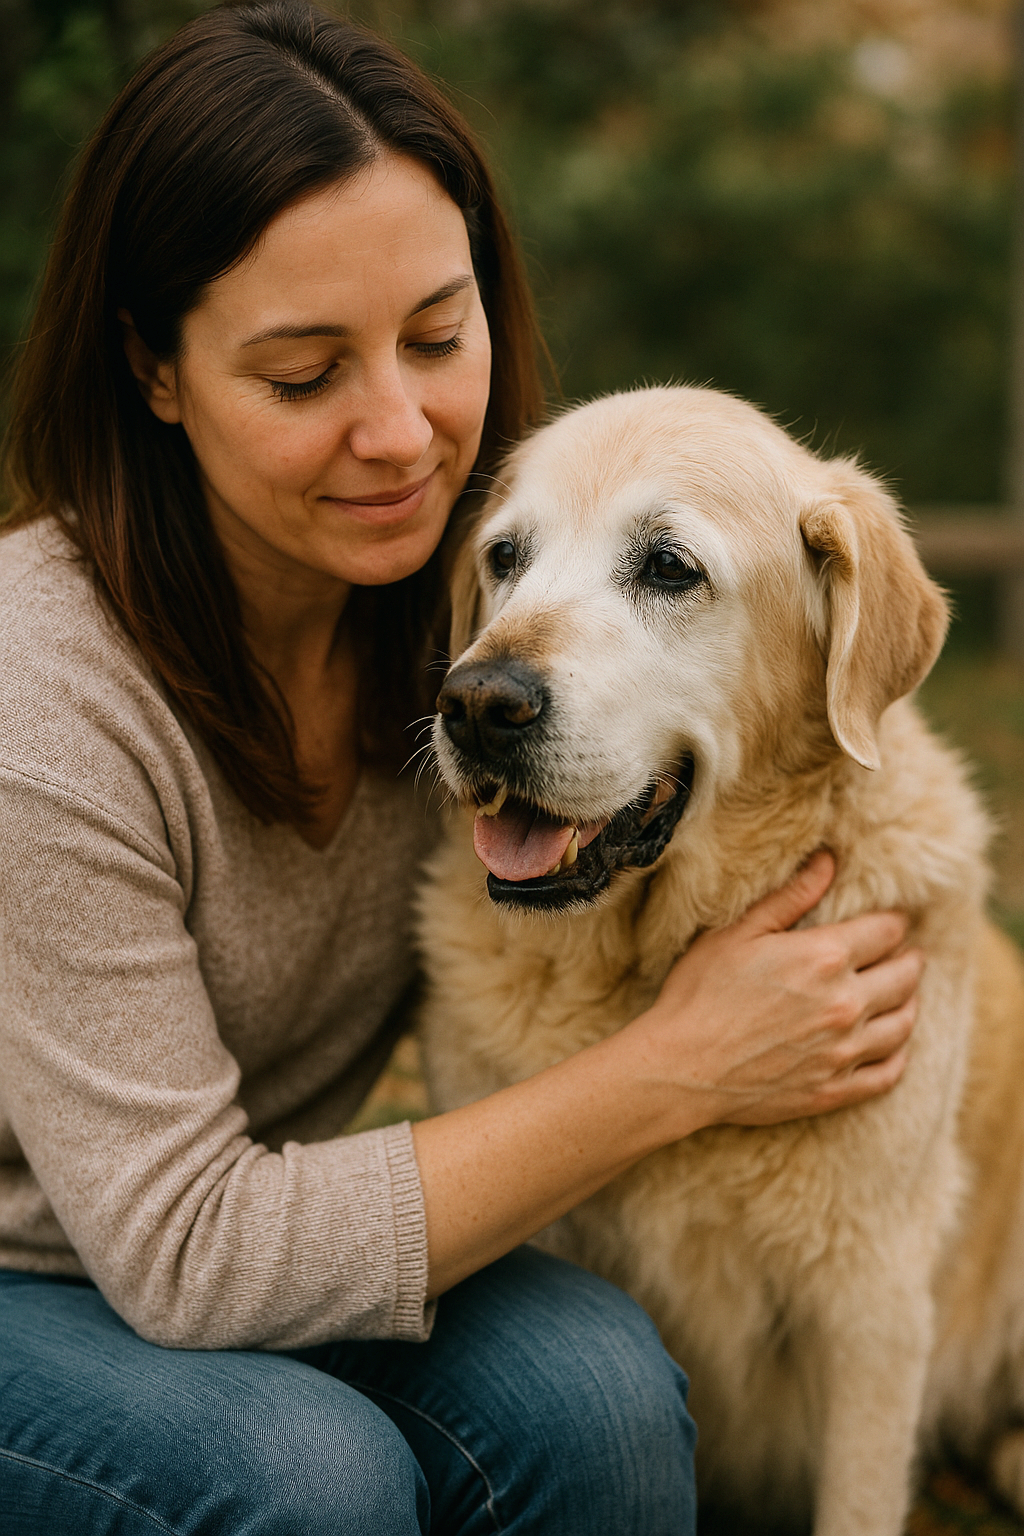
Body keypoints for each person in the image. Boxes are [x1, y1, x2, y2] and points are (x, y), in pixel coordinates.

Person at [0, 5, 923, 1532]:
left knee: (600, 1398)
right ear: (156, 374)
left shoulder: (466, 601)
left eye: (439, 338)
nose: (400, 433)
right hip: (49, 1267)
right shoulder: (43, 708)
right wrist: (684, 1064)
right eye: (303, 376)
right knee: (310, 1478)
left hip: (230, 1222)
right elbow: (191, 1252)